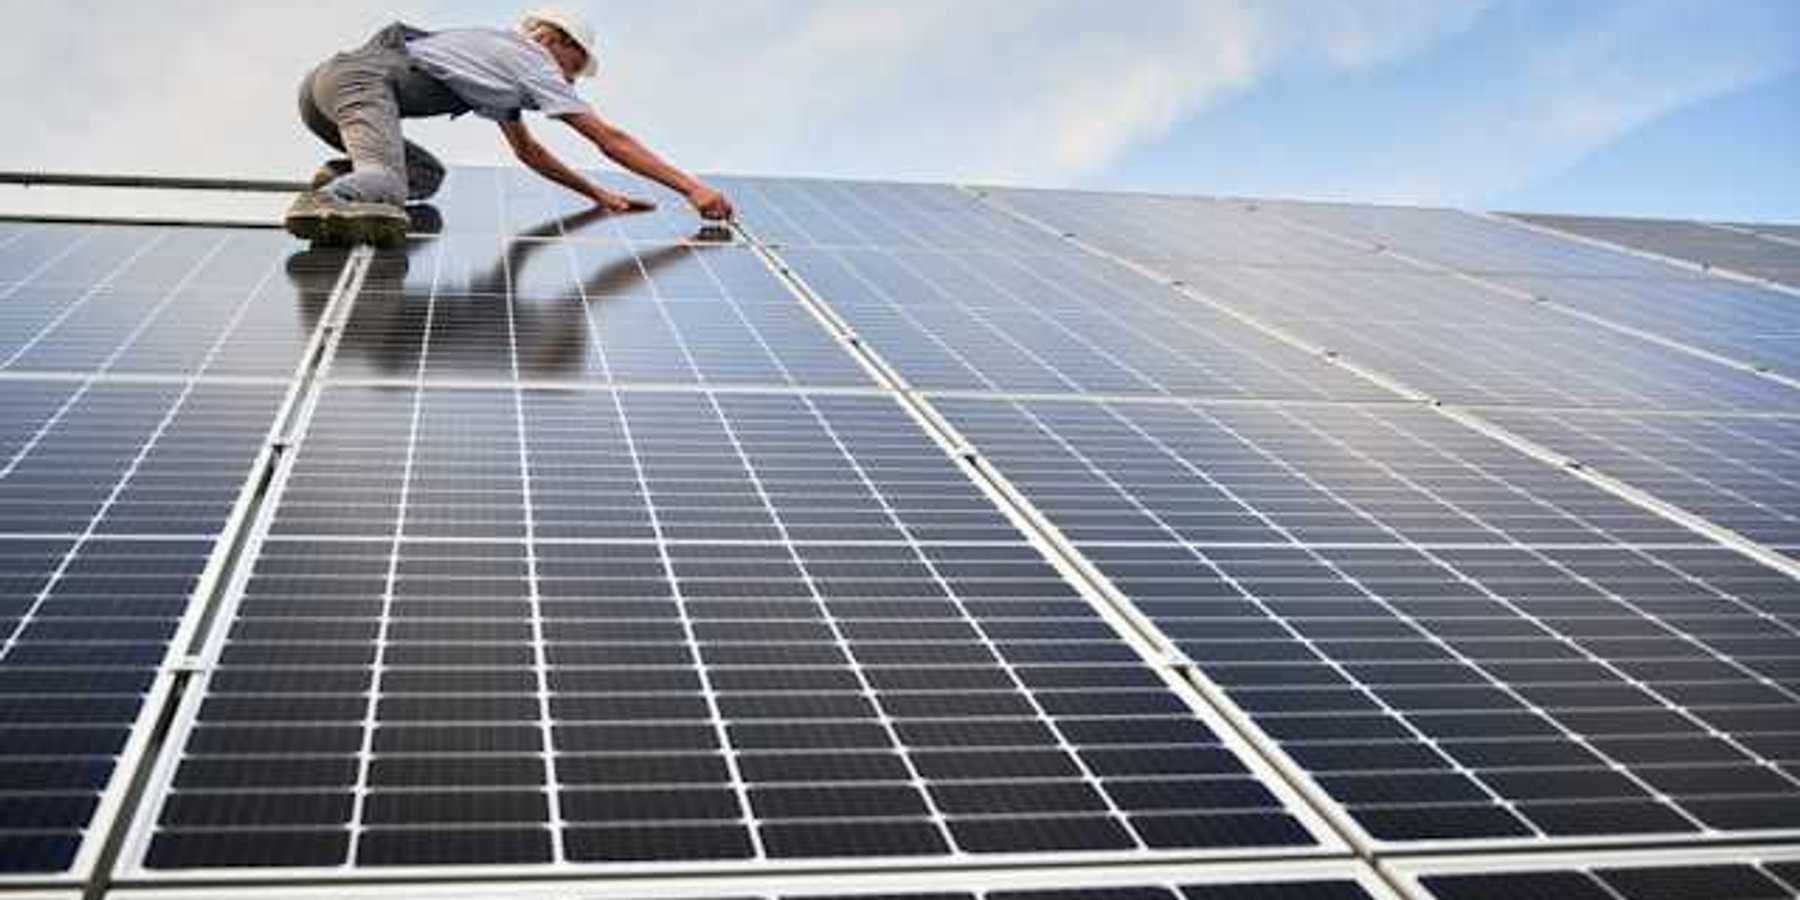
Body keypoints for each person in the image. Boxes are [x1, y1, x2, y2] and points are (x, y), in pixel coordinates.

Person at [288, 7, 734, 245]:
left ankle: (346, 176)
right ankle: (326, 201)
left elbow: (528, 152)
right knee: (388, 182)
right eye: (573, 67)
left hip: (321, 91)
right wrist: (691, 188)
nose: (567, 81)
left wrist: (599, 196)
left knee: (424, 176)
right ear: (552, 40)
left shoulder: (495, 63)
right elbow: (609, 140)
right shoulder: (532, 60)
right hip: (363, 83)